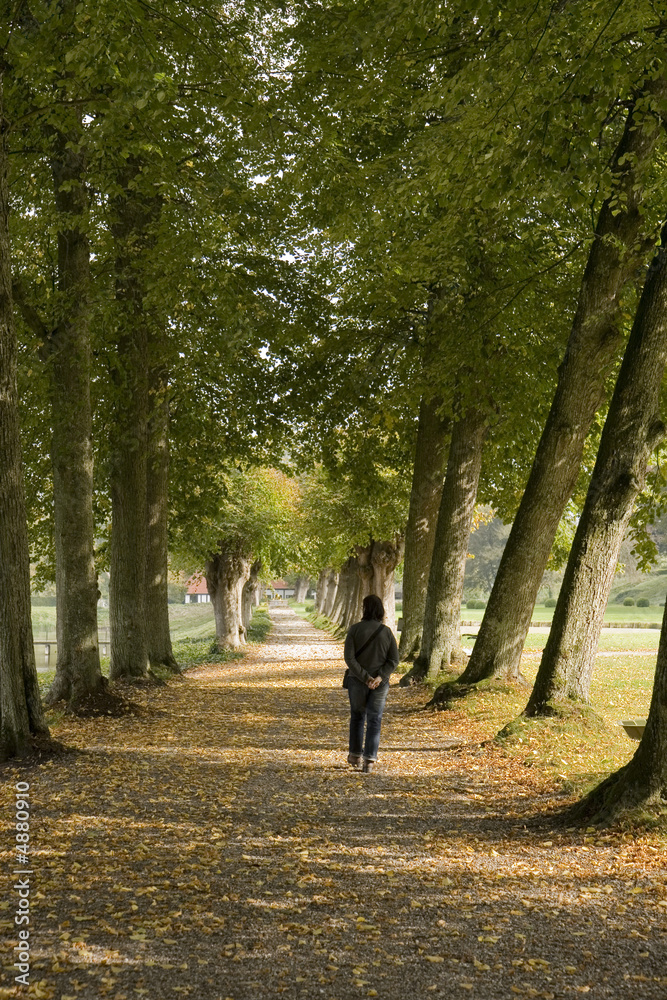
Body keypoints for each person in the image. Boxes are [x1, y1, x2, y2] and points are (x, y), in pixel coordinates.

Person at [343, 594, 399, 773]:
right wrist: (379, 677)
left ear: (364, 609)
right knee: (375, 719)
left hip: (357, 681)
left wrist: (364, 677)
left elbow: (349, 658)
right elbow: (394, 660)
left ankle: (354, 755)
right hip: (380, 684)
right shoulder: (387, 632)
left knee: (357, 717)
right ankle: (369, 760)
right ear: (380, 610)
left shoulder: (354, 630)